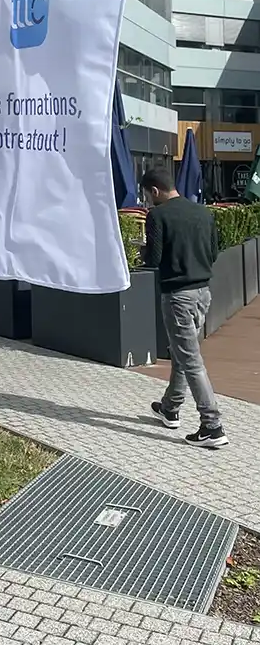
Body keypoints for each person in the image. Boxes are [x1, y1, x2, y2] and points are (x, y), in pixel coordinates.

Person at [142, 166, 228, 449]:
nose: (147, 201)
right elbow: (214, 252)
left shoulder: (157, 216)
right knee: (182, 353)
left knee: (190, 360)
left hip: (178, 295)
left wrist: (143, 250)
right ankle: (170, 408)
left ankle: (212, 425)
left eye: (147, 195)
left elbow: (153, 260)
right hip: (203, 293)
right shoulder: (204, 213)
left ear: (155, 191)